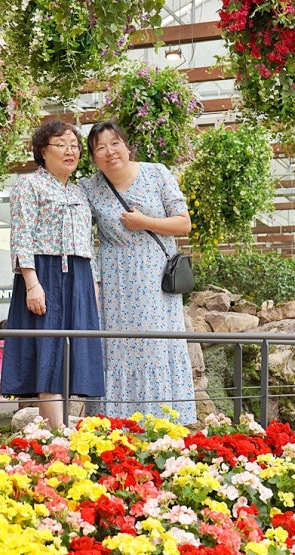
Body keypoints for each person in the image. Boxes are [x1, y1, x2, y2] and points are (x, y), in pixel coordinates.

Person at [81, 121, 198, 424]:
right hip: (114, 281)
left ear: (127, 145)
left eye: (114, 143)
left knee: (154, 346)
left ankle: (161, 422)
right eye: (100, 148)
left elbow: (183, 223)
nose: (109, 152)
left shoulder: (156, 172)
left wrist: (145, 221)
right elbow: (81, 235)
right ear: (94, 157)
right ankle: (116, 422)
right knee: (115, 350)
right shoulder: (89, 187)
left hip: (154, 278)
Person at [2, 120, 105, 428]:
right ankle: (58, 430)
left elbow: (88, 242)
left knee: (78, 350)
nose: (69, 151)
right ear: (42, 151)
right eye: (61, 145)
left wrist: (93, 287)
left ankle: (62, 428)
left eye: (74, 146)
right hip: (44, 273)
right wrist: (32, 284)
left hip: (79, 274)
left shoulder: (79, 191)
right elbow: (22, 235)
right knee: (49, 347)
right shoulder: (29, 185)